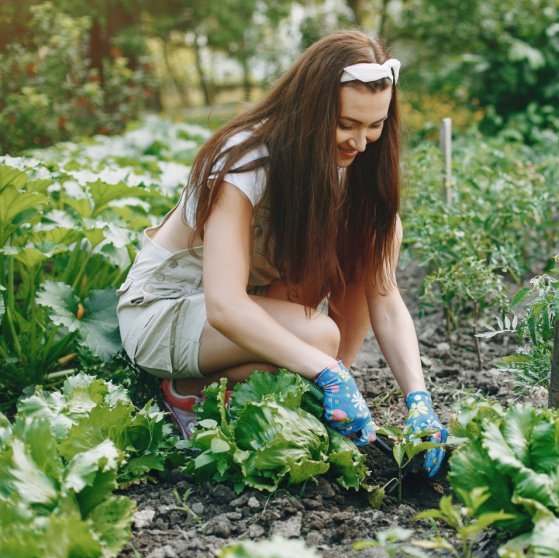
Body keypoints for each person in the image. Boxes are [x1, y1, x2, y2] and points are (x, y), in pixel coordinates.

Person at [117, 30, 447, 477]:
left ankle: (327, 404)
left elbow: (386, 303)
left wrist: (419, 401)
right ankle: (186, 390)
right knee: (319, 337)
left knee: (369, 235)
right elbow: (224, 306)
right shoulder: (244, 162)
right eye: (346, 124)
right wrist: (326, 369)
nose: (360, 142)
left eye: (375, 126)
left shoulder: (348, 169)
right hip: (166, 312)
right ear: (311, 110)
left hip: (242, 312)